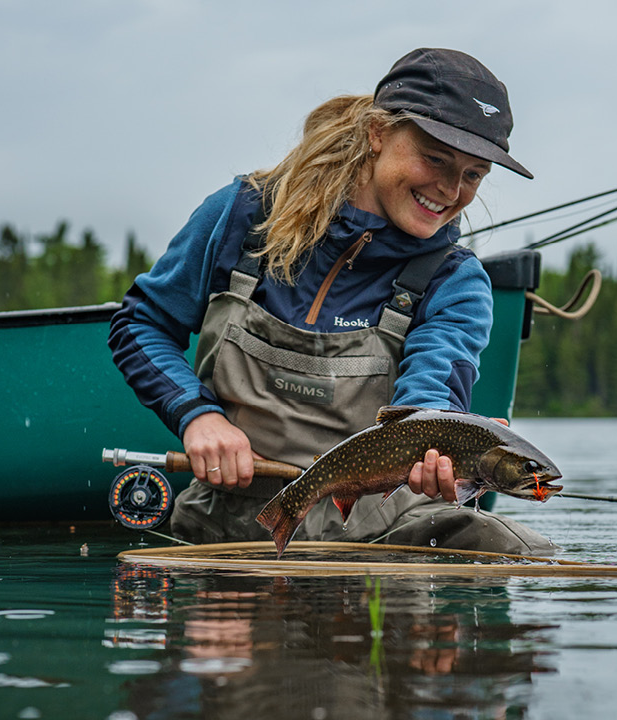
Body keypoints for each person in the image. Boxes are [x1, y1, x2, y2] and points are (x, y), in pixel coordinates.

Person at [109, 48, 556, 555]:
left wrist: (453, 440)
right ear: (377, 133)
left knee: (523, 551)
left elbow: (429, 398)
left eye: (474, 174)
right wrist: (197, 416)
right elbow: (141, 324)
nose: (451, 190)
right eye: (436, 158)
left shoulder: (455, 280)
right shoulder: (243, 215)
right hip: (228, 525)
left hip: (387, 533)